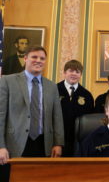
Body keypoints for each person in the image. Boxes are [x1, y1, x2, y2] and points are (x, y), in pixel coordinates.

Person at [0, 45, 64, 182]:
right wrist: (1, 146)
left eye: (42, 58)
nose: (38, 60)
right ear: (25, 58)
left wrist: (58, 143)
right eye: (34, 57)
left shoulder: (52, 86)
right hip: (14, 144)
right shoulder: (7, 81)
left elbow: (57, 117)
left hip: (43, 144)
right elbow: (1, 116)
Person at [57, 59, 94, 157]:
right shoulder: (54, 90)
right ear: (65, 73)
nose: (74, 74)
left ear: (81, 75)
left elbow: (89, 121)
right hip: (57, 141)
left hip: (79, 142)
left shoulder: (87, 95)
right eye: (71, 71)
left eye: (77, 72)